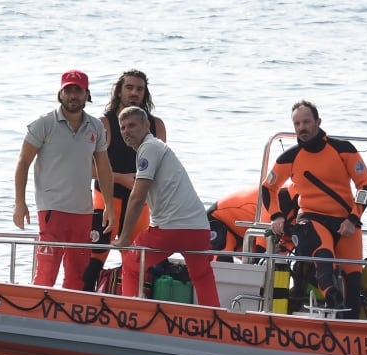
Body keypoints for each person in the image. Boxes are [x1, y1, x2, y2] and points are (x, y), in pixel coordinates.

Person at [262, 100, 367, 318]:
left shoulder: (343, 149)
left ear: (318, 122)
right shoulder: (290, 158)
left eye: (306, 122)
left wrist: (353, 218)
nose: (301, 127)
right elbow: (268, 187)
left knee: (353, 282)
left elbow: (364, 186)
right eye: (296, 124)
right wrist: (276, 216)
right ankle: (330, 294)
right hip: (311, 219)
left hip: (346, 222)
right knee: (323, 256)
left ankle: (351, 329)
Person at [13, 69, 115, 290]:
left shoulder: (95, 127)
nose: (73, 96)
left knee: (77, 276)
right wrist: (20, 203)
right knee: (46, 273)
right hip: (52, 209)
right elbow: (23, 163)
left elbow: (104, 168)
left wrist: (108, 205)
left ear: (86, 94)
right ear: (60, 93)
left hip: (83, 211)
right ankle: (35, 317)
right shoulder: (44, 124)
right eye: (68, 90)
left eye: (77, 90)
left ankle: (70, 320)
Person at [111, 106, 219, 307]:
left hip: (170, 229)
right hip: (199, 228)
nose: (126, 131)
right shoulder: (159, 148)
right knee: (202, 276)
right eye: (123, 128)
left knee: (131, 264)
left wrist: (124, 238)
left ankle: (130, 312)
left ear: (146, 125)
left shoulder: (149, 147)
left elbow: (137, 196)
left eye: (132, 125)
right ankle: (212, 321)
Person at [82, 69, 167, 291]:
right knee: (93, 261)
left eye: (139, 89)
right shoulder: (104, 123)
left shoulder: (156, 125)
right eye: (129, 88)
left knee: (138, 265)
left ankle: (133, 309)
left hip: (141, 204)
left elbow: (163, 167)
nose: (134, 93)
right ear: (119, 91)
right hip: (107, 201)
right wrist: (120, 178)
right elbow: (86, 168)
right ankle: (81, 306)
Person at [207, 185, 297, 262]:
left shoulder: (303, 210)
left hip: (248, 236)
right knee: (221, 263)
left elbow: (290, 243)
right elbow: (264, 237)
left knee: (276, 265)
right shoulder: (279, 197)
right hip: (219, 221)